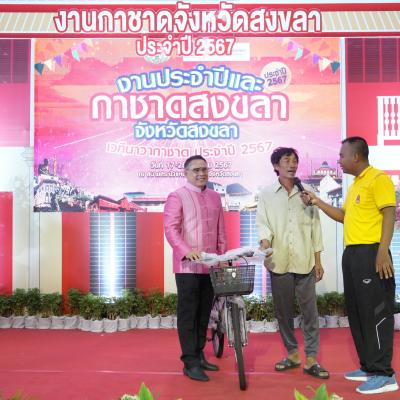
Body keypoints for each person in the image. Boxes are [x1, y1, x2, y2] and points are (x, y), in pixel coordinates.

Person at [302, 136, 398, 394]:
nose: (339, 161)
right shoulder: (356, 184)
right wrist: (317, 201)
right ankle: (369, 366)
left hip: (371, 253)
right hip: (353, 254)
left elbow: (390, 213)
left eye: (341, 156)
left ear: (356, 156)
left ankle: (384, 374)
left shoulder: (378, 179)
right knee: (357, 312)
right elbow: (344, 216)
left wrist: (382, 251)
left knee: (376, 313)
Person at [256, 147, 329, 379]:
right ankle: (292, 354)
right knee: (283, 312)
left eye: (295, 160)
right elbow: (263, 223)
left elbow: (315, 228)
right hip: (278, 261)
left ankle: (311, 358)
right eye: (286, 160)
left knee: (310, 312)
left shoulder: (307, 192)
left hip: (305, 261)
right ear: (276, 166)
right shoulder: (266, 194)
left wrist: (318, 260)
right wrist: (265, 241)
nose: (292, 164)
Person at [164, 155, 227, 382]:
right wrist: (186, 250)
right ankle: (189, 362)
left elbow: (221, 231)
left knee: (204, 314)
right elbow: (171, 229)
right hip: (187, 267)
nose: (201, 174)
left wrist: (222, 258)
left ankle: (199, 355)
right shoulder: (177, 196)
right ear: (186, 173)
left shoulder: (215, 197)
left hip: (210, 266)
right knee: (189, 314)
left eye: (204, 169)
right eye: (196, 170)